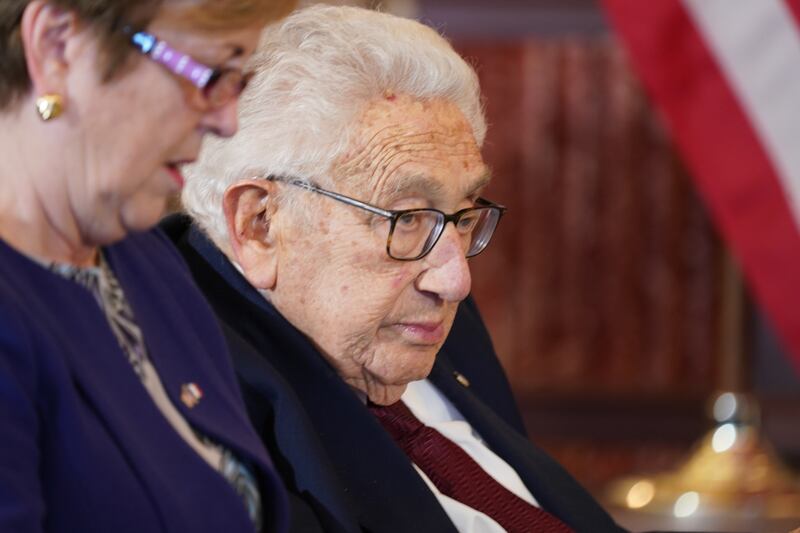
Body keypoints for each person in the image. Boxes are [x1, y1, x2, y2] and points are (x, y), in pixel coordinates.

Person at [172, 5, 627, 533]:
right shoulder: (191, 403)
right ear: (259, 224)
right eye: (407, 217)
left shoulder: (417, 326)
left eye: (460, 215)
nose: (456, 280)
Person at [0, 0, 295, 532]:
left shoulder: (147, 257)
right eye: (209, 74)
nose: (228, 119)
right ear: (57, 46)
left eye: (237, 81)